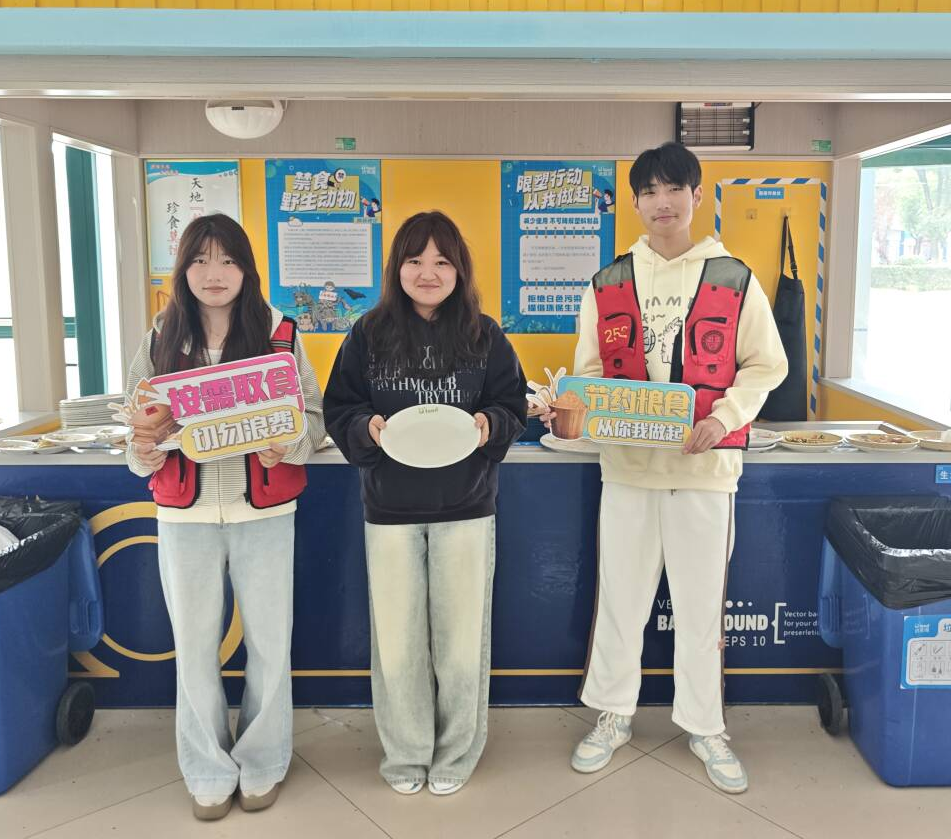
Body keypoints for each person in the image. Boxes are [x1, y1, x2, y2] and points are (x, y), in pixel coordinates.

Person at [553, 142, 787, 794]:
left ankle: (705, 725)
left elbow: (767, 364)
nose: (662, 202)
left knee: (700, 607)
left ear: (696, 195)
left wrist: (725, 416)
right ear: (634, 202)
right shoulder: (607, 282)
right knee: (620, 601)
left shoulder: (734, 278)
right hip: (628, 471)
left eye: (674, 188)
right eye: (650, 191)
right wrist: (572, 408)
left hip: (705, 472)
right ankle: (612, 714)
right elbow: (590, 372)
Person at [126, 213, 326, 821]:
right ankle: (208, 770)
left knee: (269, 642)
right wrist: (143, 449)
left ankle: (263, 762)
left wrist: (288, 444)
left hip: (263, 510)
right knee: (192, 646)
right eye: (200, 260)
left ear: (247, 269)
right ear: (183, 269)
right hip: (184, 516)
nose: (213, 274)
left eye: (228, 260)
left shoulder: (279, 334)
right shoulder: (160, 338)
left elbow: (313, 418)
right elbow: (135, 435)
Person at [324, 211, 527, 797]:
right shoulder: (368, 333)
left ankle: (457, 752)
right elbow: (340, 408)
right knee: (397, 643)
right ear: (397, 268)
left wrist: (491, 424)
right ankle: (406, 754)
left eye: (442, 261)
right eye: (415, 260)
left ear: (459, 269)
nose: (428, 272)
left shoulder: (485, 335)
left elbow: (513, 404)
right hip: (389, 510)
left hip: (467, 507)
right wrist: (366, 428)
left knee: (462, 644)